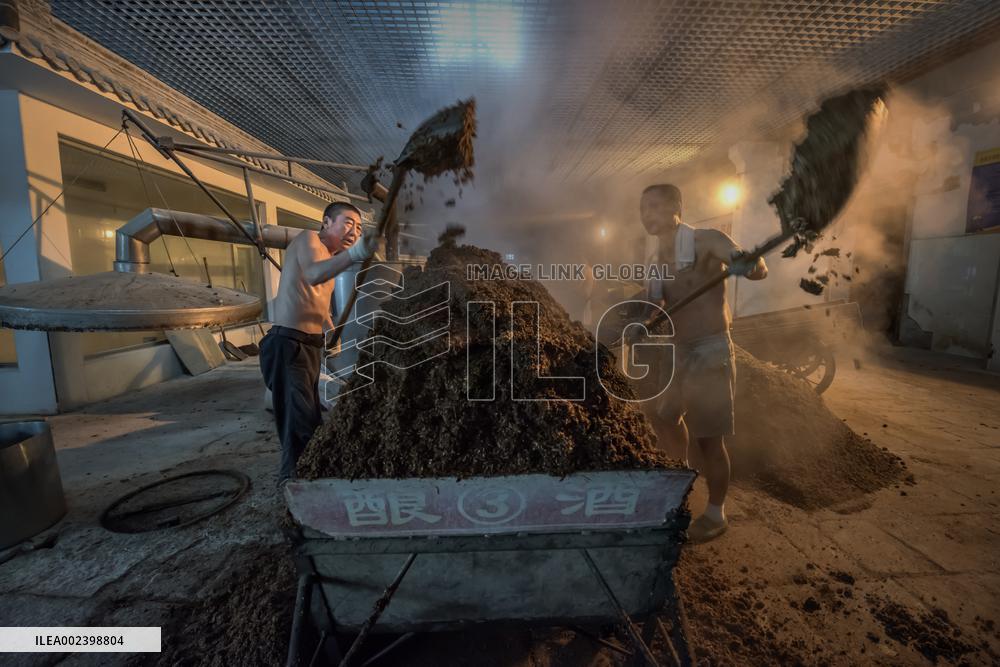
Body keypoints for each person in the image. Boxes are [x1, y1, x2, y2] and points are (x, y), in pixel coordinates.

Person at [637, 183, 767, 543]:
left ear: (676, 207)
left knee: (709, 439)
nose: (647, 214)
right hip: (678, 350)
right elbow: (655, 306)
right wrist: (641, 324)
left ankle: (715, 513)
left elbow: (758, 268)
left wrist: (748, 263)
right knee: (664, 415)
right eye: (643, 208)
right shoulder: (656, 259)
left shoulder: (706, 240)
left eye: (655, 206)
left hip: (710, 349)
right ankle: (679, 478)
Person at [260, 201, 377, 483]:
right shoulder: (309, 239)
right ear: (326, 222)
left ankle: (310, 472)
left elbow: (320, 306)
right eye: (348, 222)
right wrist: (355, 254)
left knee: (310, 415)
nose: (354, 231)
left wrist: (331, 333)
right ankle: (294, 481)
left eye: (359, 228)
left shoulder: (331, 263)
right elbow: (313, 275)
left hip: (310, 346)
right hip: (288, 343)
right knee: (297, 419)